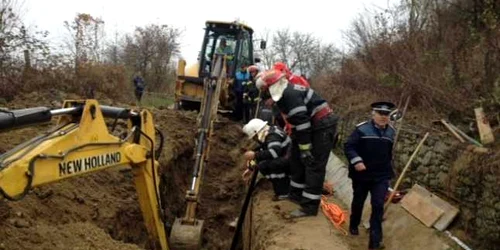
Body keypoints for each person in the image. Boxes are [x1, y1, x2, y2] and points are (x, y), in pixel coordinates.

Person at [255, 69, 338, 218]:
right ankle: (295, 195)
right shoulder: (284, 95)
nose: (264, 96)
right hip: (310, 126)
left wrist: (305, 149)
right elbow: (297, 123)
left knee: (314, 164)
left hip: (322, 126)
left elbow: (302, 123)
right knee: (295, 158)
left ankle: (309, 207)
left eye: (264, 91)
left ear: (271, 88)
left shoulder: (289, 95)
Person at [343, 101, 397, 250]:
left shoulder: (391, 132)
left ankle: (375, 242)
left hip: (381, 176)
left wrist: (390, 171)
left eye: (386, 114)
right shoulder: (362, 129)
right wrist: (357, 161)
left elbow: (389, 153)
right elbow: (349, 146)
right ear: (373, 114)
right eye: (380, 114)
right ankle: (354, 224)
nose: (383, 117)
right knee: (358, 201)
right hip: (362, 175)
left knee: (378, 205)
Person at [241, 118, 291, 200]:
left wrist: (254, 155)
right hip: (289, 159)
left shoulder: (272, 136)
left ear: (256, 132)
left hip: (292, 161)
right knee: (263, 164)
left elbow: (274, 153)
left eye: (254, 137)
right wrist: (250, 168)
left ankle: (284, 192)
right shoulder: (270, 131)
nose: (255, 140)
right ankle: (283, 187)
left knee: (267, 166)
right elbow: (262, 153)